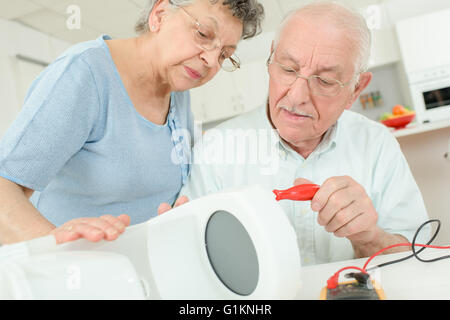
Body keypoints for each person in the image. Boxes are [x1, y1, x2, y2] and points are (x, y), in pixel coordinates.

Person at [159, 2, 431, 265]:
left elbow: (415, 258)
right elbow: (190, 260)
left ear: (356, 90)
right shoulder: (214, 149)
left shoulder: (376, 144)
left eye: (324, 81)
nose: (297, 96)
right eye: (288, 69)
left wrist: (369, 236)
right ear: (270, 60)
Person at [0, 0, 264, 245]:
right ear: (159, 15)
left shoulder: (178, 90)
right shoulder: (84, 73)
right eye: (204, 34)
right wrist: (54, 244)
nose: (211, 61)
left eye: (224, 55)